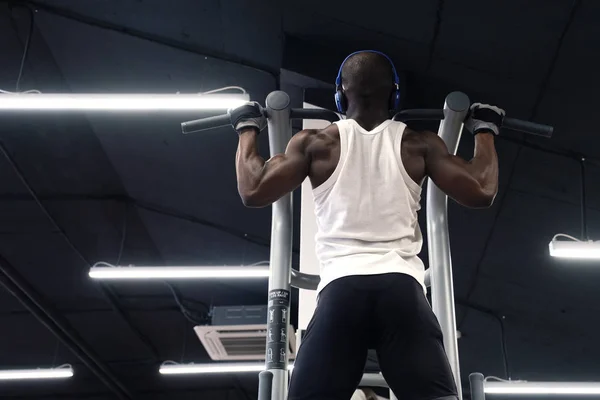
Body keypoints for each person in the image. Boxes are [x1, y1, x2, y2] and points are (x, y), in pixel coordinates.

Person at [230, 50, 503, 400]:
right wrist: (485, 130)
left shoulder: (316, 143)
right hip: (402, 292)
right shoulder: (418, 143)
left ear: (340, 95)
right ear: (395, 94)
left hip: (341, 292)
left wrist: (246, 128)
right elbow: (481, 191)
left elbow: (253, 190)